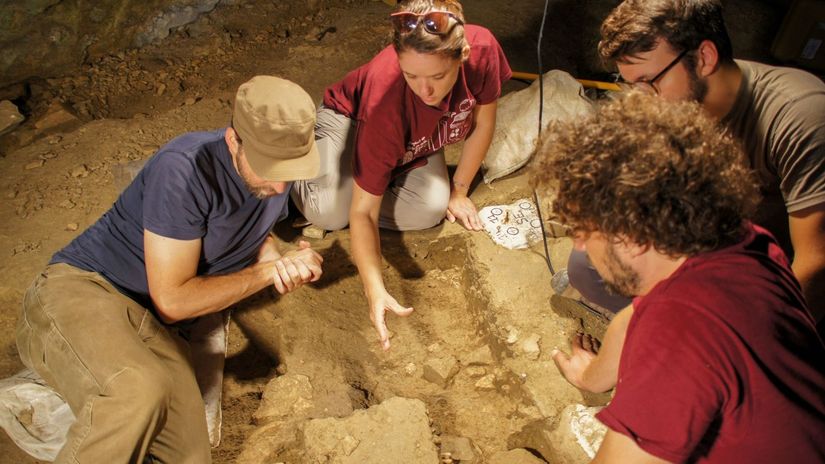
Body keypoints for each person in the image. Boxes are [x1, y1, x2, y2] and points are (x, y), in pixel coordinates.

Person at [15, 75, 324, 463]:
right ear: (233, 141)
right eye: (268, 168)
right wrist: (264, 276)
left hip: (158, 327)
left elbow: (250, 230)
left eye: (289, 171)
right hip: (87, 288)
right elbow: (174, 300)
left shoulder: (275, 179)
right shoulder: (185, 169)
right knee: (136, 392)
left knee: (188, 456)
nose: (280, 189)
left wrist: (278, 262)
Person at [535, 91, 825, 463]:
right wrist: (592, 377)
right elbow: (636, 314)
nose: (578, 244)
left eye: (583, 229)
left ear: (632, 236)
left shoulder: (678, 338)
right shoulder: (742, 241)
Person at [568, 0, 825, 329]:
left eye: (650, 82)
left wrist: (755, 344)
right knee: (586, 263)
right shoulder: (671, 102)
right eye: (630, 83)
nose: (642, 98)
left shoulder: (798, 115)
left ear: (704, 58)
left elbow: (815, 262)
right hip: (708, 240)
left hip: (764, 267)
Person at [291, 0, 511, 350]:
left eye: (437, 77)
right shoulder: (386, 99)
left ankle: (373, 176)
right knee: (329, 210)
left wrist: (460, 190)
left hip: (417, 138)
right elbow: (363, 213)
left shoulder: (483, 50)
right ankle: (308, 161)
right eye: (412, 76)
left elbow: (483, 122)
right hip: (349, 120)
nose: (425, 90)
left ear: (462, 55)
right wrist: (374, 288)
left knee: (430, 208)